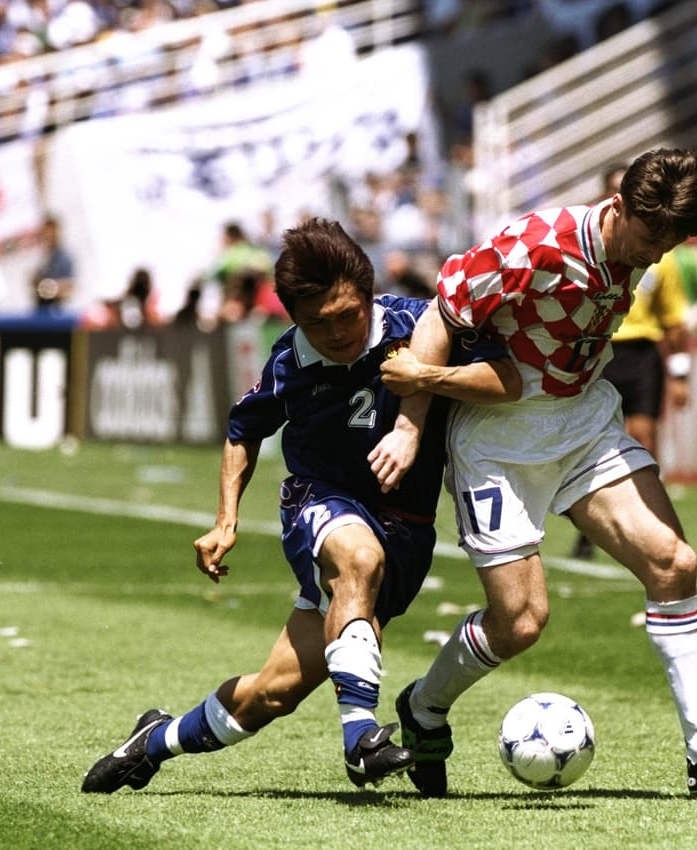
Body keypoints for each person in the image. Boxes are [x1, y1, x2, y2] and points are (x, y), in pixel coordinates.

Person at [370, 148, 697, 801]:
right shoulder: (533, 245)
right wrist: (411, 425)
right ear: (617, 207)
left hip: (583, 423)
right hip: (500, 440)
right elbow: (442, 315)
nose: (651, 258)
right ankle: (424, 706)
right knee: (521, 622)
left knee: (674, 563)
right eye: (647, 241)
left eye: (665, 246)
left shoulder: (644, 247)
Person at [81, 218, 520, 794]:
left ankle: (154, 741)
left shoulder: (421, 325)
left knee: (274, 692)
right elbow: (243, 432)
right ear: (292, 316)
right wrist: (225, 521)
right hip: (321, 503)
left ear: (367, 294)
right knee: (358, 559)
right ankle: (360, 740)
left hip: (408, 528)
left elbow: (507, 380)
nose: (337, 332)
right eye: (319, 322)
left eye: (348, 315)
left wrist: (428, 375)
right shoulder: (289, 360)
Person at [572, 164, 692, 560]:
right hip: (599, 349)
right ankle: (592, 524)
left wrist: (680, 373)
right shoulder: (587, 249)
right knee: (590, 439)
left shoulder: (663, 259)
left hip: (641, 352)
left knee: (642, 437)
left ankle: (645, 524)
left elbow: (674, 320)